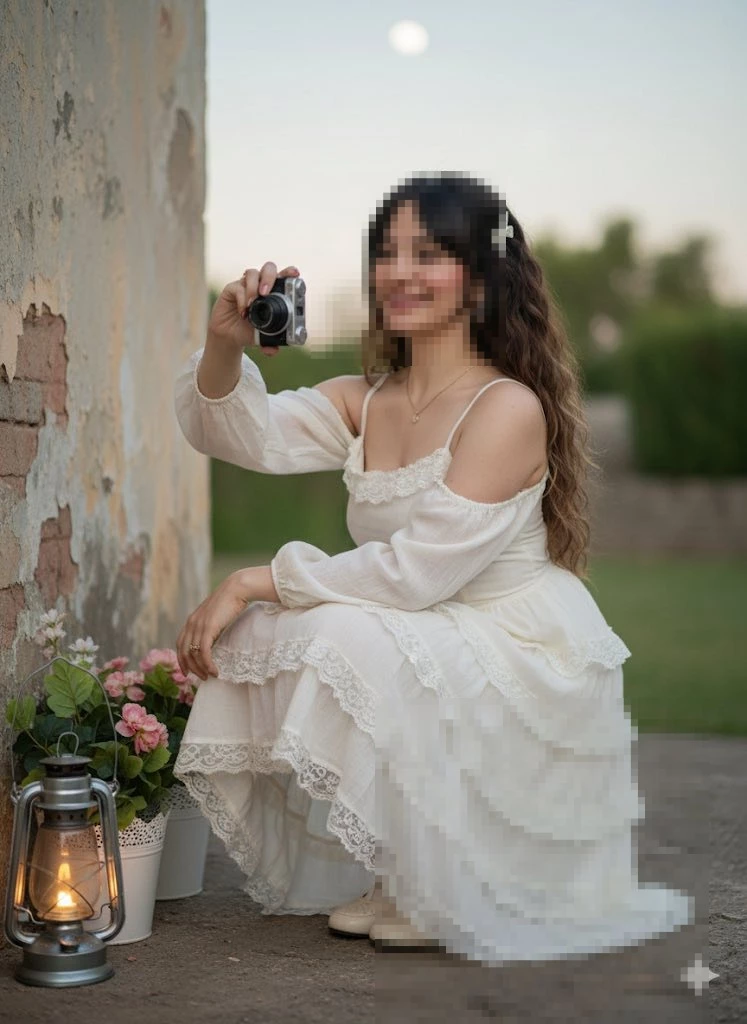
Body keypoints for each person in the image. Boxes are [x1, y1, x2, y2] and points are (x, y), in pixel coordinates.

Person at [171, 173, 692, 963]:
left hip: (514, 651)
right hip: (430, 631)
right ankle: (403, 868)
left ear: (481, 276)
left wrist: (250, 578)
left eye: (430, 253)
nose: (400, 272)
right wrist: (222, 344)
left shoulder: (508, 407)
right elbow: (236, 434)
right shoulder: (367, 399)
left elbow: (413, 575)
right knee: (277, 631)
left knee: (330, 626)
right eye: (386, 253)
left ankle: (450, 879)